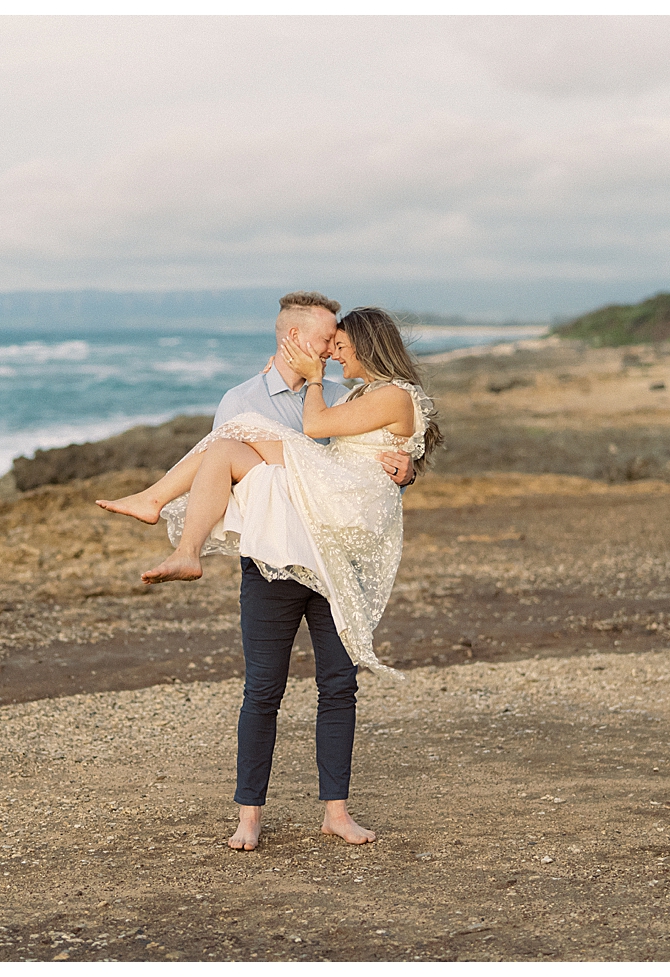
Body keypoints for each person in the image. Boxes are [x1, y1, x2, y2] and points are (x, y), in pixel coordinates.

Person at [97, 293, 441, 850]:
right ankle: (249, 817)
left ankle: (336, 811)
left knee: (339, 686)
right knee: (263, 690)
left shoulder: (337, 392)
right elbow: (227, 480)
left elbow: (376, 451)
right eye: (327, 340)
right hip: (274, 561)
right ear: (294, 338)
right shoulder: (245, 398)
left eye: (341, 342)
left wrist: (405, 470)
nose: (332, 350)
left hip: (336, 555)